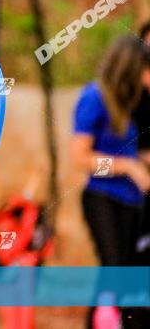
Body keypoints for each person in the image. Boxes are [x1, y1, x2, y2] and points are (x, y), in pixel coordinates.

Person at [70, 34, 150, 328]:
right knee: (116, 272)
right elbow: (81, 159)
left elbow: (129, 154)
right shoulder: (94, 97)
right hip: (103, 198)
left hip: (131, 202)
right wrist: (126, 166)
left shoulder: (124, 107)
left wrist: (138, 161)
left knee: (116, 274)